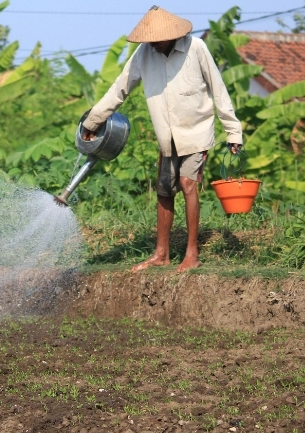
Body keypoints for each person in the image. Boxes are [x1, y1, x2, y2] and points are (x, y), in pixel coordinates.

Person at [81, 5, 243, 274]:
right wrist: (93, 121)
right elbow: (119, 88)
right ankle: (161, 254)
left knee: (187, 183)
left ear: (172, 35)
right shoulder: (144, 54)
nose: (153, 45)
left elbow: (219, 89)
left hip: (196, 131)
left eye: (157, 40)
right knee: (164, 191)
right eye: (150, 40)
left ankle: (192, 253)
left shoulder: (196, 48)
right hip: (166, 135)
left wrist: (233, 131)